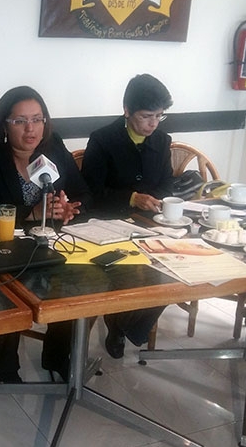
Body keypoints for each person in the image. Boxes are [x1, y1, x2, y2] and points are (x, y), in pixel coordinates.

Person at [0, 85, 91, 383]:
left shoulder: (53, 145)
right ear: (4, 124)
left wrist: (69, 208)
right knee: (11, 281)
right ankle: (6, 358)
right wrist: (31, 213)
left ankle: (57, 355)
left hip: (50, 238)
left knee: (74, 280)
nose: (30, 128)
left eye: (37, 119)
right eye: (20, 121)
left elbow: (83, 193)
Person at [80, 73, 174, 359]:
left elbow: (167, 184)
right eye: (146, 116)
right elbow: (91, 192)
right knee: (126, 270)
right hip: (107, 222)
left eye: (159, 116)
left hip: (150, 223)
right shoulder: (103, 139)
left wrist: (157, 200)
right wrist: (132, 198)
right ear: (127, 110)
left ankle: (122, 324)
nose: (153, 123)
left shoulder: (162, 140)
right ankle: (120, 321)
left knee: (172, 271)